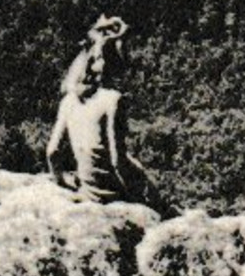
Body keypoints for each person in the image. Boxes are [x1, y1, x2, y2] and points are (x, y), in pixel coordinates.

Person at [46, 15, 164, 210]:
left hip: (86, 188)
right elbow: (117, 161)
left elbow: (52, 152)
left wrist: (61, 183)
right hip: (110, 195)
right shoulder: (113, 99)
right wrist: (137, 199)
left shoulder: (68, 101)